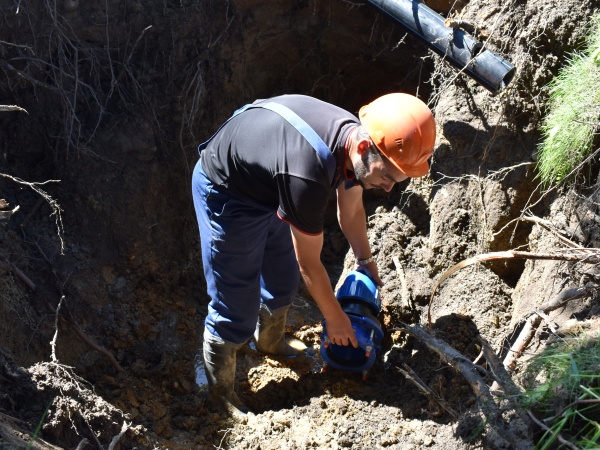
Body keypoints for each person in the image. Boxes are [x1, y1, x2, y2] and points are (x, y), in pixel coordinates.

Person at [191, 93, 436, 416]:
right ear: (364, 148)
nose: (389, 188)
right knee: (235, 303)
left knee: (281, 279)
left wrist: (366, 261)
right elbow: (310, 264)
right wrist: (336, 319)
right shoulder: (307, 175)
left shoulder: (354, 144)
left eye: (397, 180)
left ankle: (269, 342)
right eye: (387, 176)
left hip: (269, 182)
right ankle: (219, 397)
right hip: (227, 191)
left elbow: (349, 212)